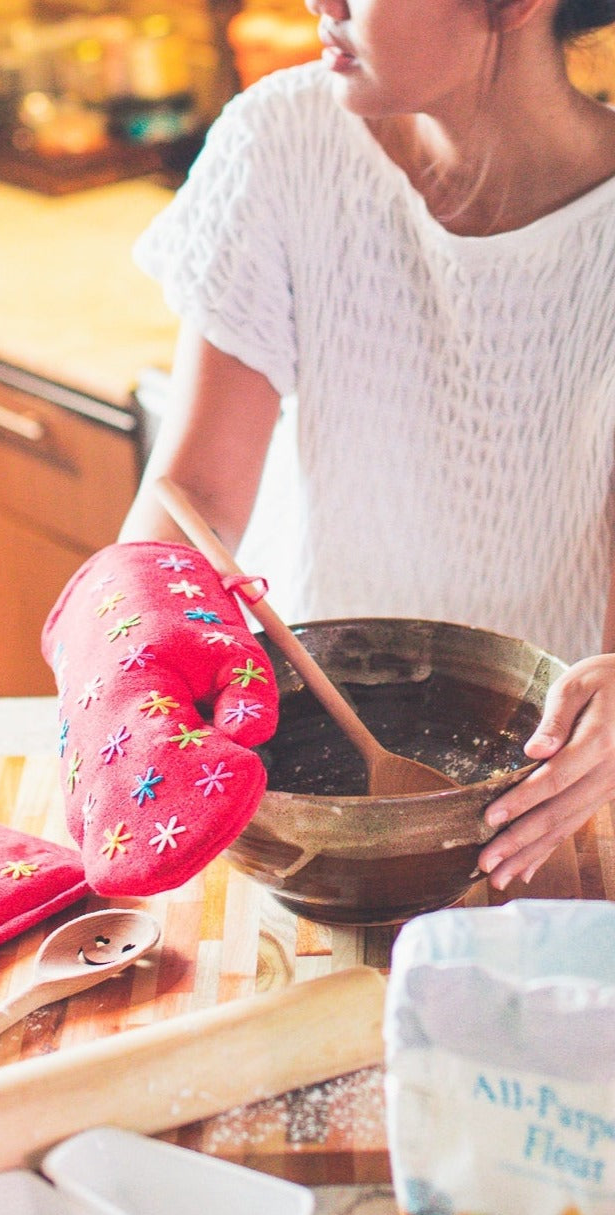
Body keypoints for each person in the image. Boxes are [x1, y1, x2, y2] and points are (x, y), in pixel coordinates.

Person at [119, 0, 615, 894]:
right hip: (287, 756)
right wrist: (129, 641)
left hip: (541, 803)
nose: (321, 2)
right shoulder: (285, 138)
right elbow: (195, 493)